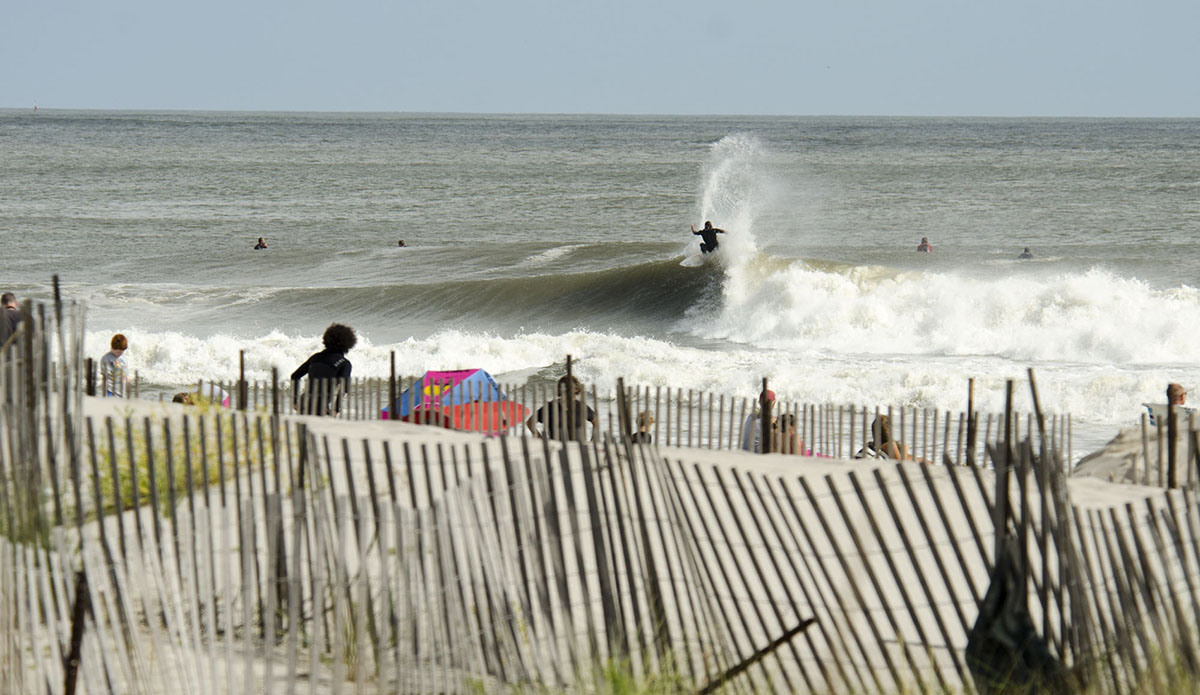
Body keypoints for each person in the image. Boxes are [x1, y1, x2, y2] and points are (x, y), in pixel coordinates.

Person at [291, 323, 357, 416]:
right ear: (349, 343)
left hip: (304, 402)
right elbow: (344, 388)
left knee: (303, 430)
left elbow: (295, 376)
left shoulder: (315, 357)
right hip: (320, 406)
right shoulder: (344, 363)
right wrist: (335, 410)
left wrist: (294, 402)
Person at [525, 375, 597, 442]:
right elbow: (530, 422)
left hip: (578, 448)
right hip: (557, 448)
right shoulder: (550, 407)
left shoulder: (581, 406)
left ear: (577, 389)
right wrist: (541, 440)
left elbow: (596, 422)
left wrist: (592, 441)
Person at [739, 388, 776, 453]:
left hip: (745, 451)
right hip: (758, 453)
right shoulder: (771, 420)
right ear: (774, 402)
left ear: (759, 402)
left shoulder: (750, 416)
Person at [100, 333, 129, 398]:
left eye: (121, 352)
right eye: (117, 351)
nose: (119, 354)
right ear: (112, 348)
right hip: (110, 390)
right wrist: (105, 393)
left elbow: (126, 376)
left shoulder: (124, 359)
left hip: (121, 391)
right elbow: (104, 377)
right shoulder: (106, 358)